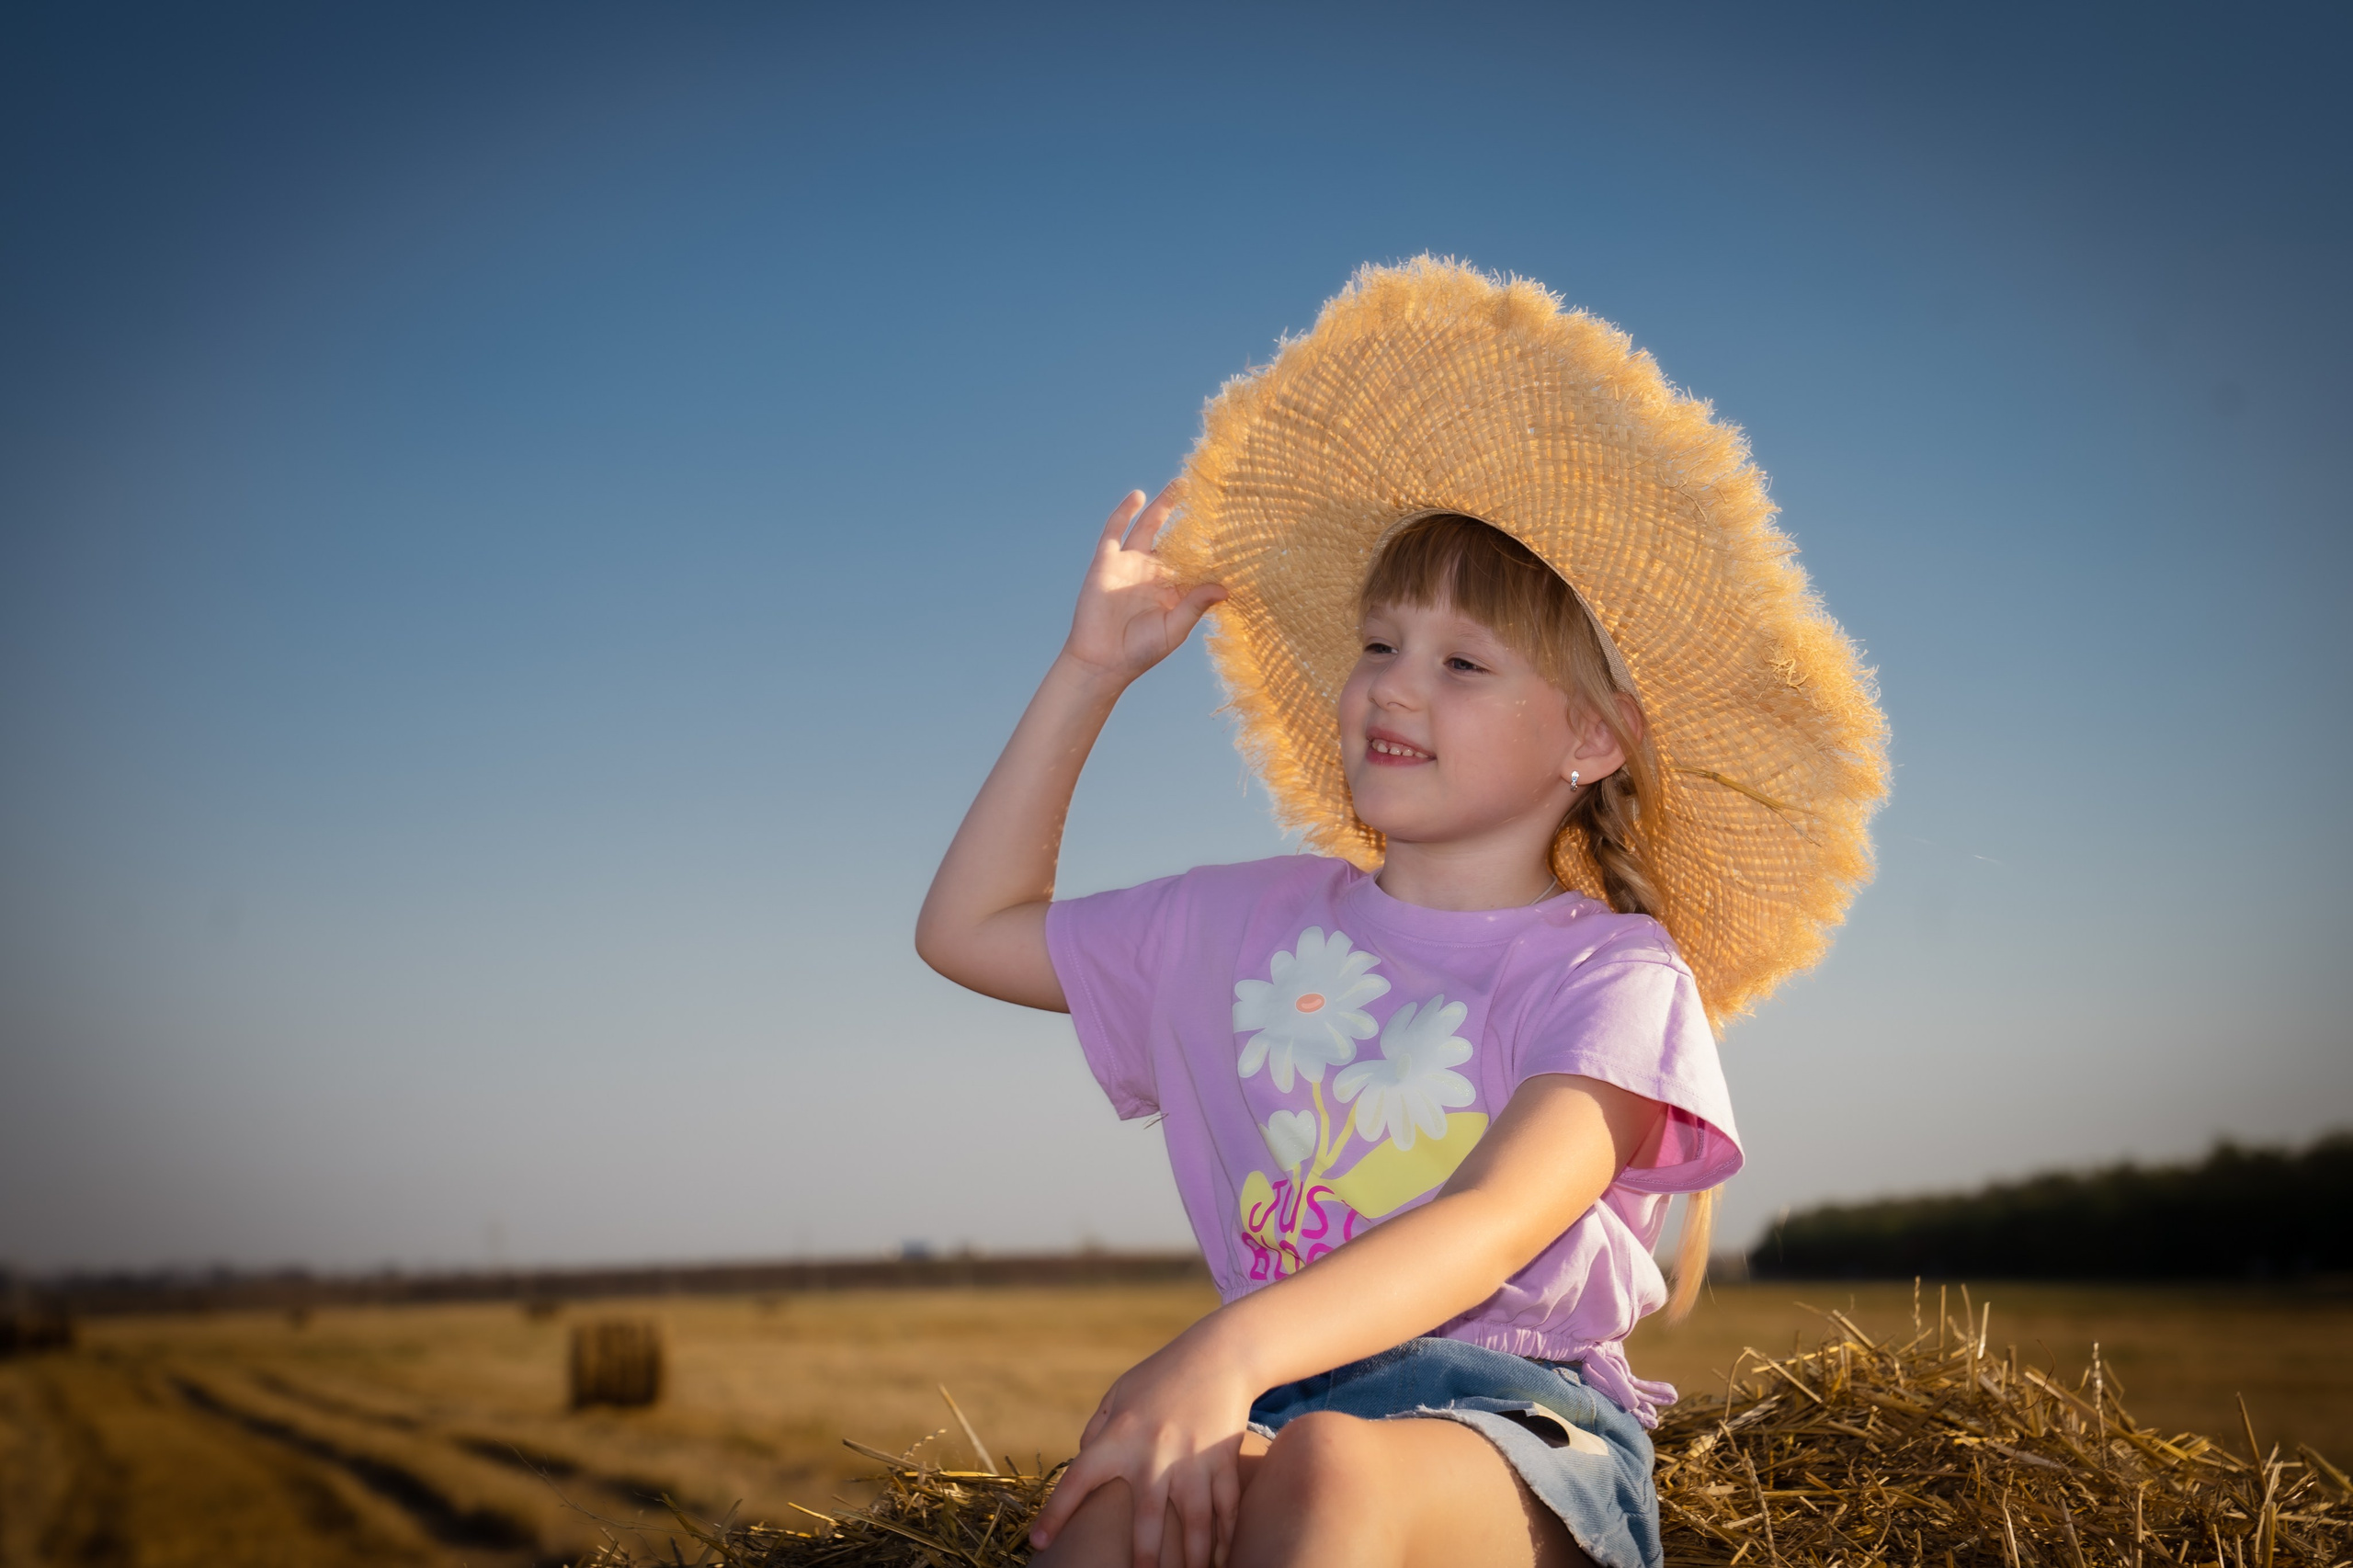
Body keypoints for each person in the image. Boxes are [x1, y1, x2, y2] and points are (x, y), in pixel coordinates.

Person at [915, 258, 1888, 1568]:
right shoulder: (1231, 925)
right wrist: (1087, 675)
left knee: (1331, 1475)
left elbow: (1493, 1214)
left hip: (1521, 1432)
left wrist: (1225, 1346)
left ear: (1591, 737)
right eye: (1378, 643)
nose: (1392, 684)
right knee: (1107, 1518)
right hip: (1279, 1402)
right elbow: (967, 928)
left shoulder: (1612, 973)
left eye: (1463, 662)